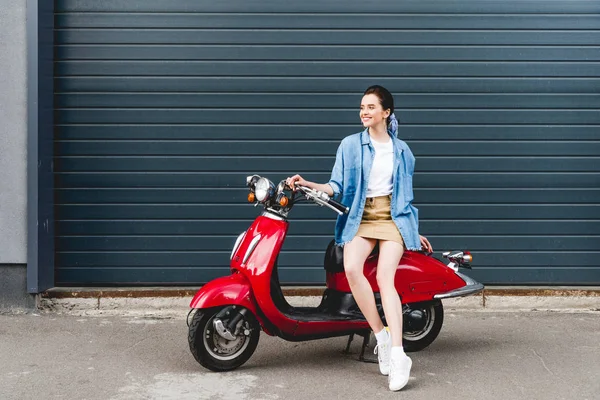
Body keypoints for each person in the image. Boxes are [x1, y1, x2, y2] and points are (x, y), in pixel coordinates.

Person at [286, 85, 432, 391]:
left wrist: (411, 230)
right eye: (362, 107)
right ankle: (381, 335)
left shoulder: (403, 151)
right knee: (351, 268)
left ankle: (398, 354)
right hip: (361, 218)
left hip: (392, 218)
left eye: (370, 107)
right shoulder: (350, 145)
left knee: (384, 277)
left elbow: (404, 198)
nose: (363, 112)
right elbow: (335, 185)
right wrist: (306, 183)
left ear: (386, 112)